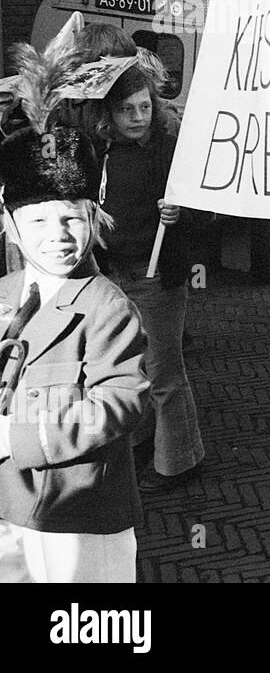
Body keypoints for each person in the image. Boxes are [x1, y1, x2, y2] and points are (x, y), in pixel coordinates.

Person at [0, 43, 149, 582]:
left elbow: (122, 401)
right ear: (12, 225)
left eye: (71, 219)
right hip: (9, 504)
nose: (58, 237)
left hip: (81, 512)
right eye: (39, 222)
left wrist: (14, 437)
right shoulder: (5, 292)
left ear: (93, 216)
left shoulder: (106, 305)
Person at [95, 65, 205, 491]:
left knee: (164, 372)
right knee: (132, 367)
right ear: (112, 113)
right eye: (126, 109)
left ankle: (181, 461)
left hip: (156, 275)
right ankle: (142, 440)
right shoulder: (105, 151)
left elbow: (204, 208)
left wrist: (183, 213)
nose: (137, 116)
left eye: (144, 106)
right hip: (115, 274)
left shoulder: (170, 151)